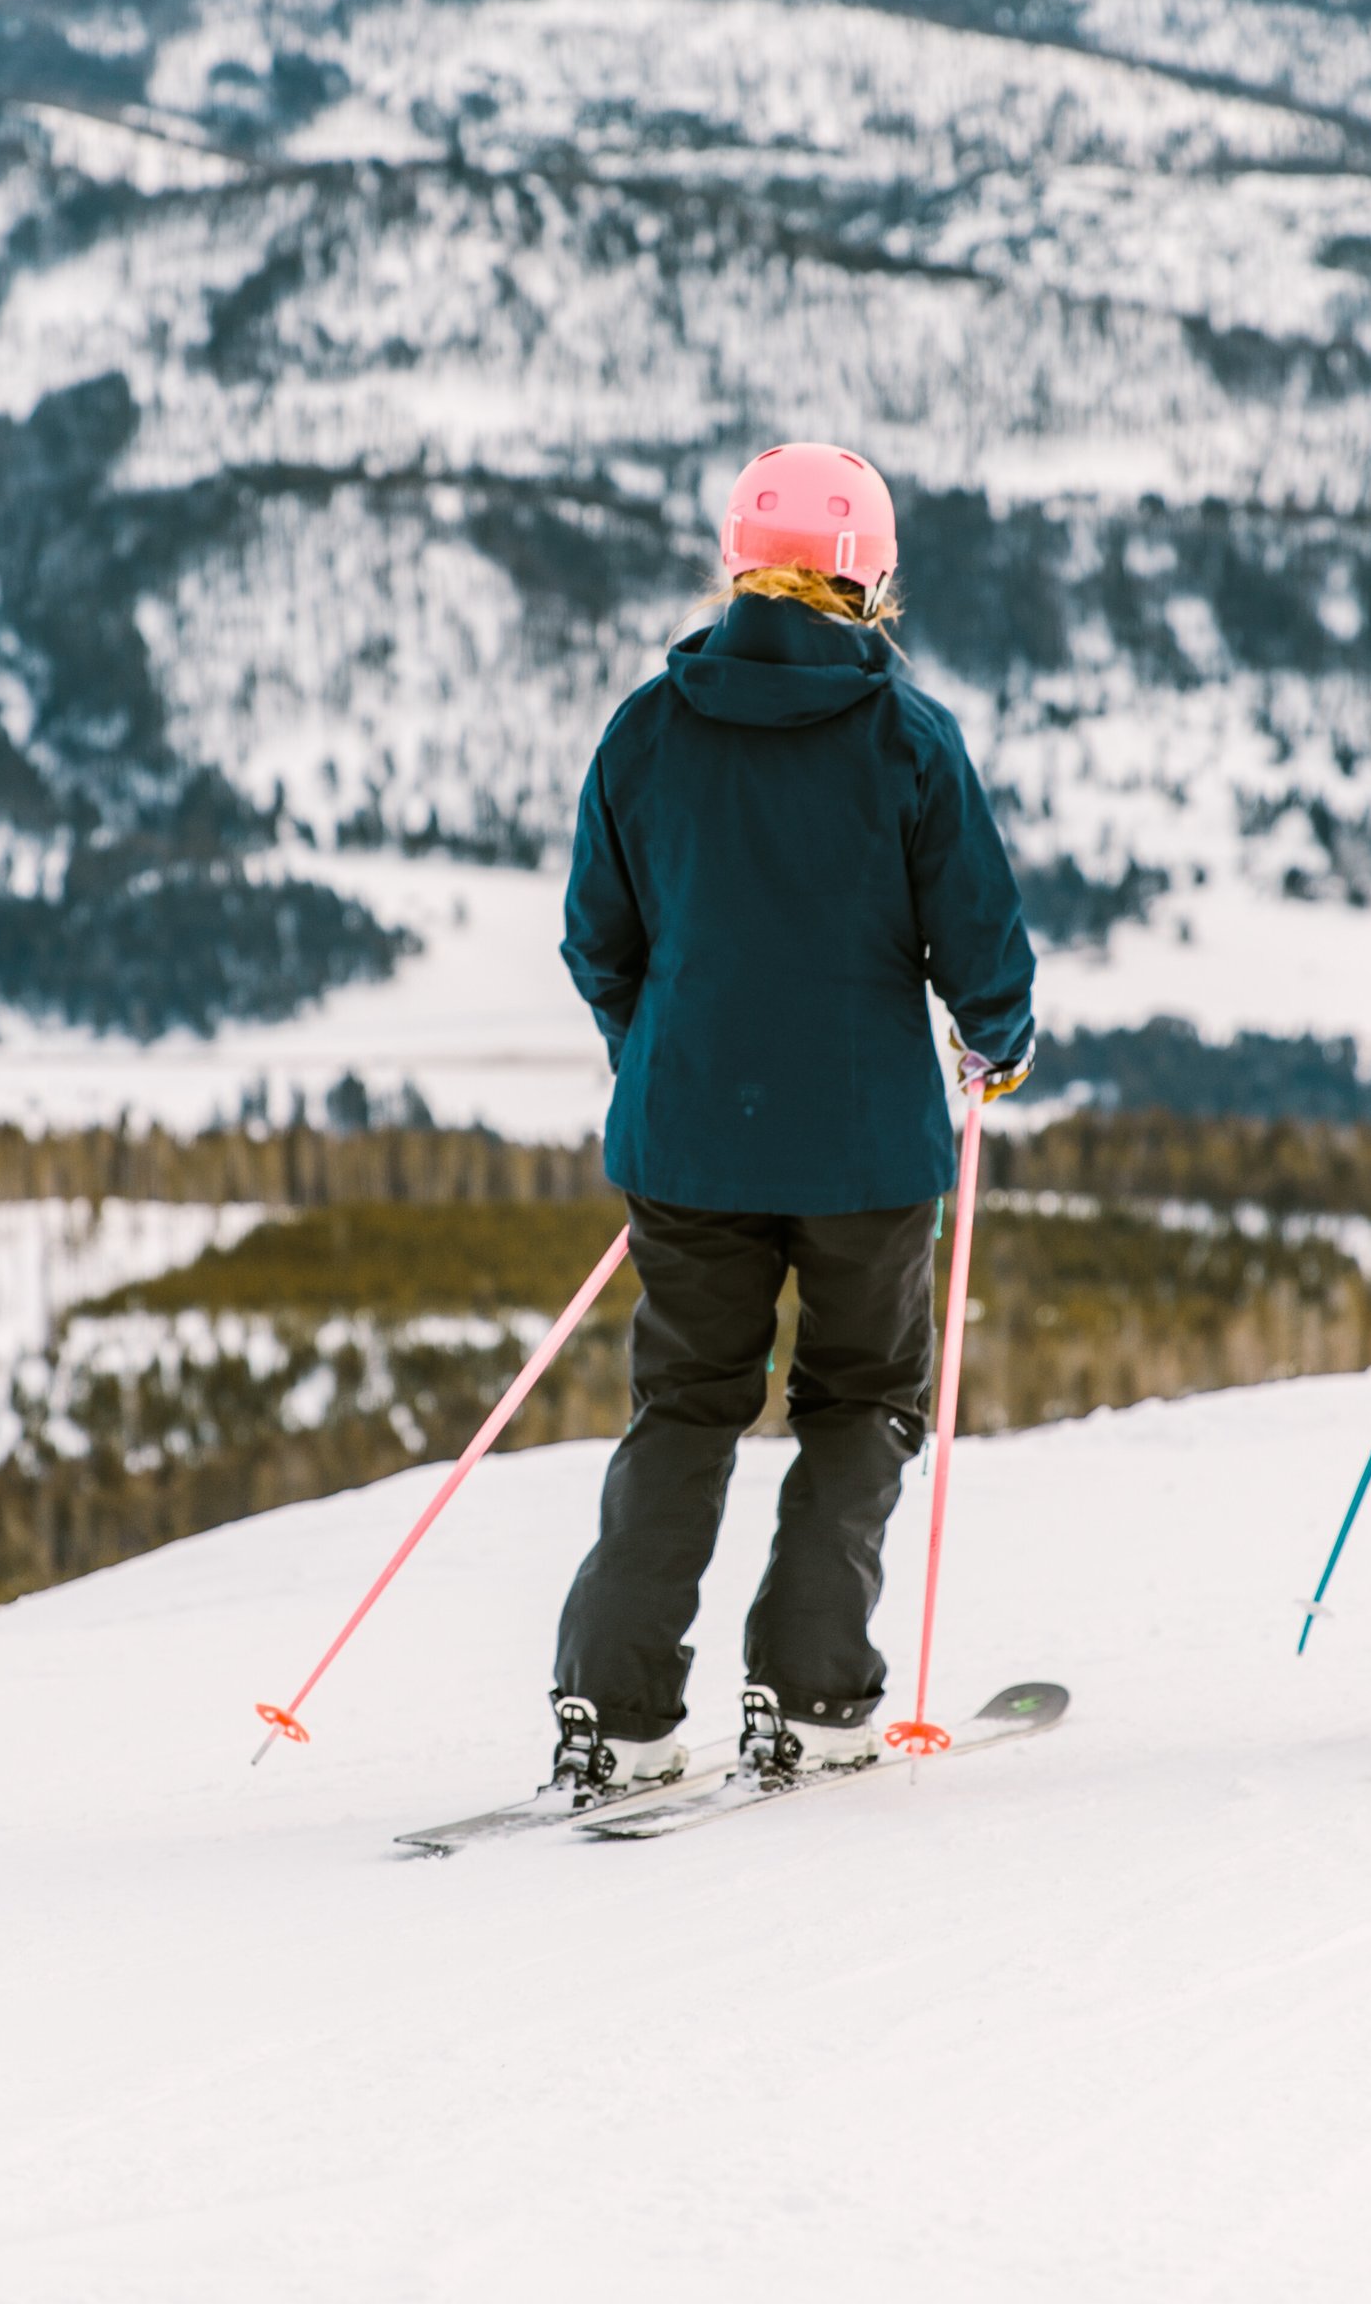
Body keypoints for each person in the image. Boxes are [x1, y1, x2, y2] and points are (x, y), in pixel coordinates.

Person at [545, 441, 1038, 1797]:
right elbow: (983, 951)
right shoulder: (909, 738)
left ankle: (616, 1709)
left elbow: (599, 941)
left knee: (686, 1406)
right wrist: (999, 1044)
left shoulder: (647, 729)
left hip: (690, 1140)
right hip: (865, 1155)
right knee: (861, 1400)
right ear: (867, 573)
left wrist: (655, 1052)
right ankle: (815, 1693)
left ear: (740, 560)